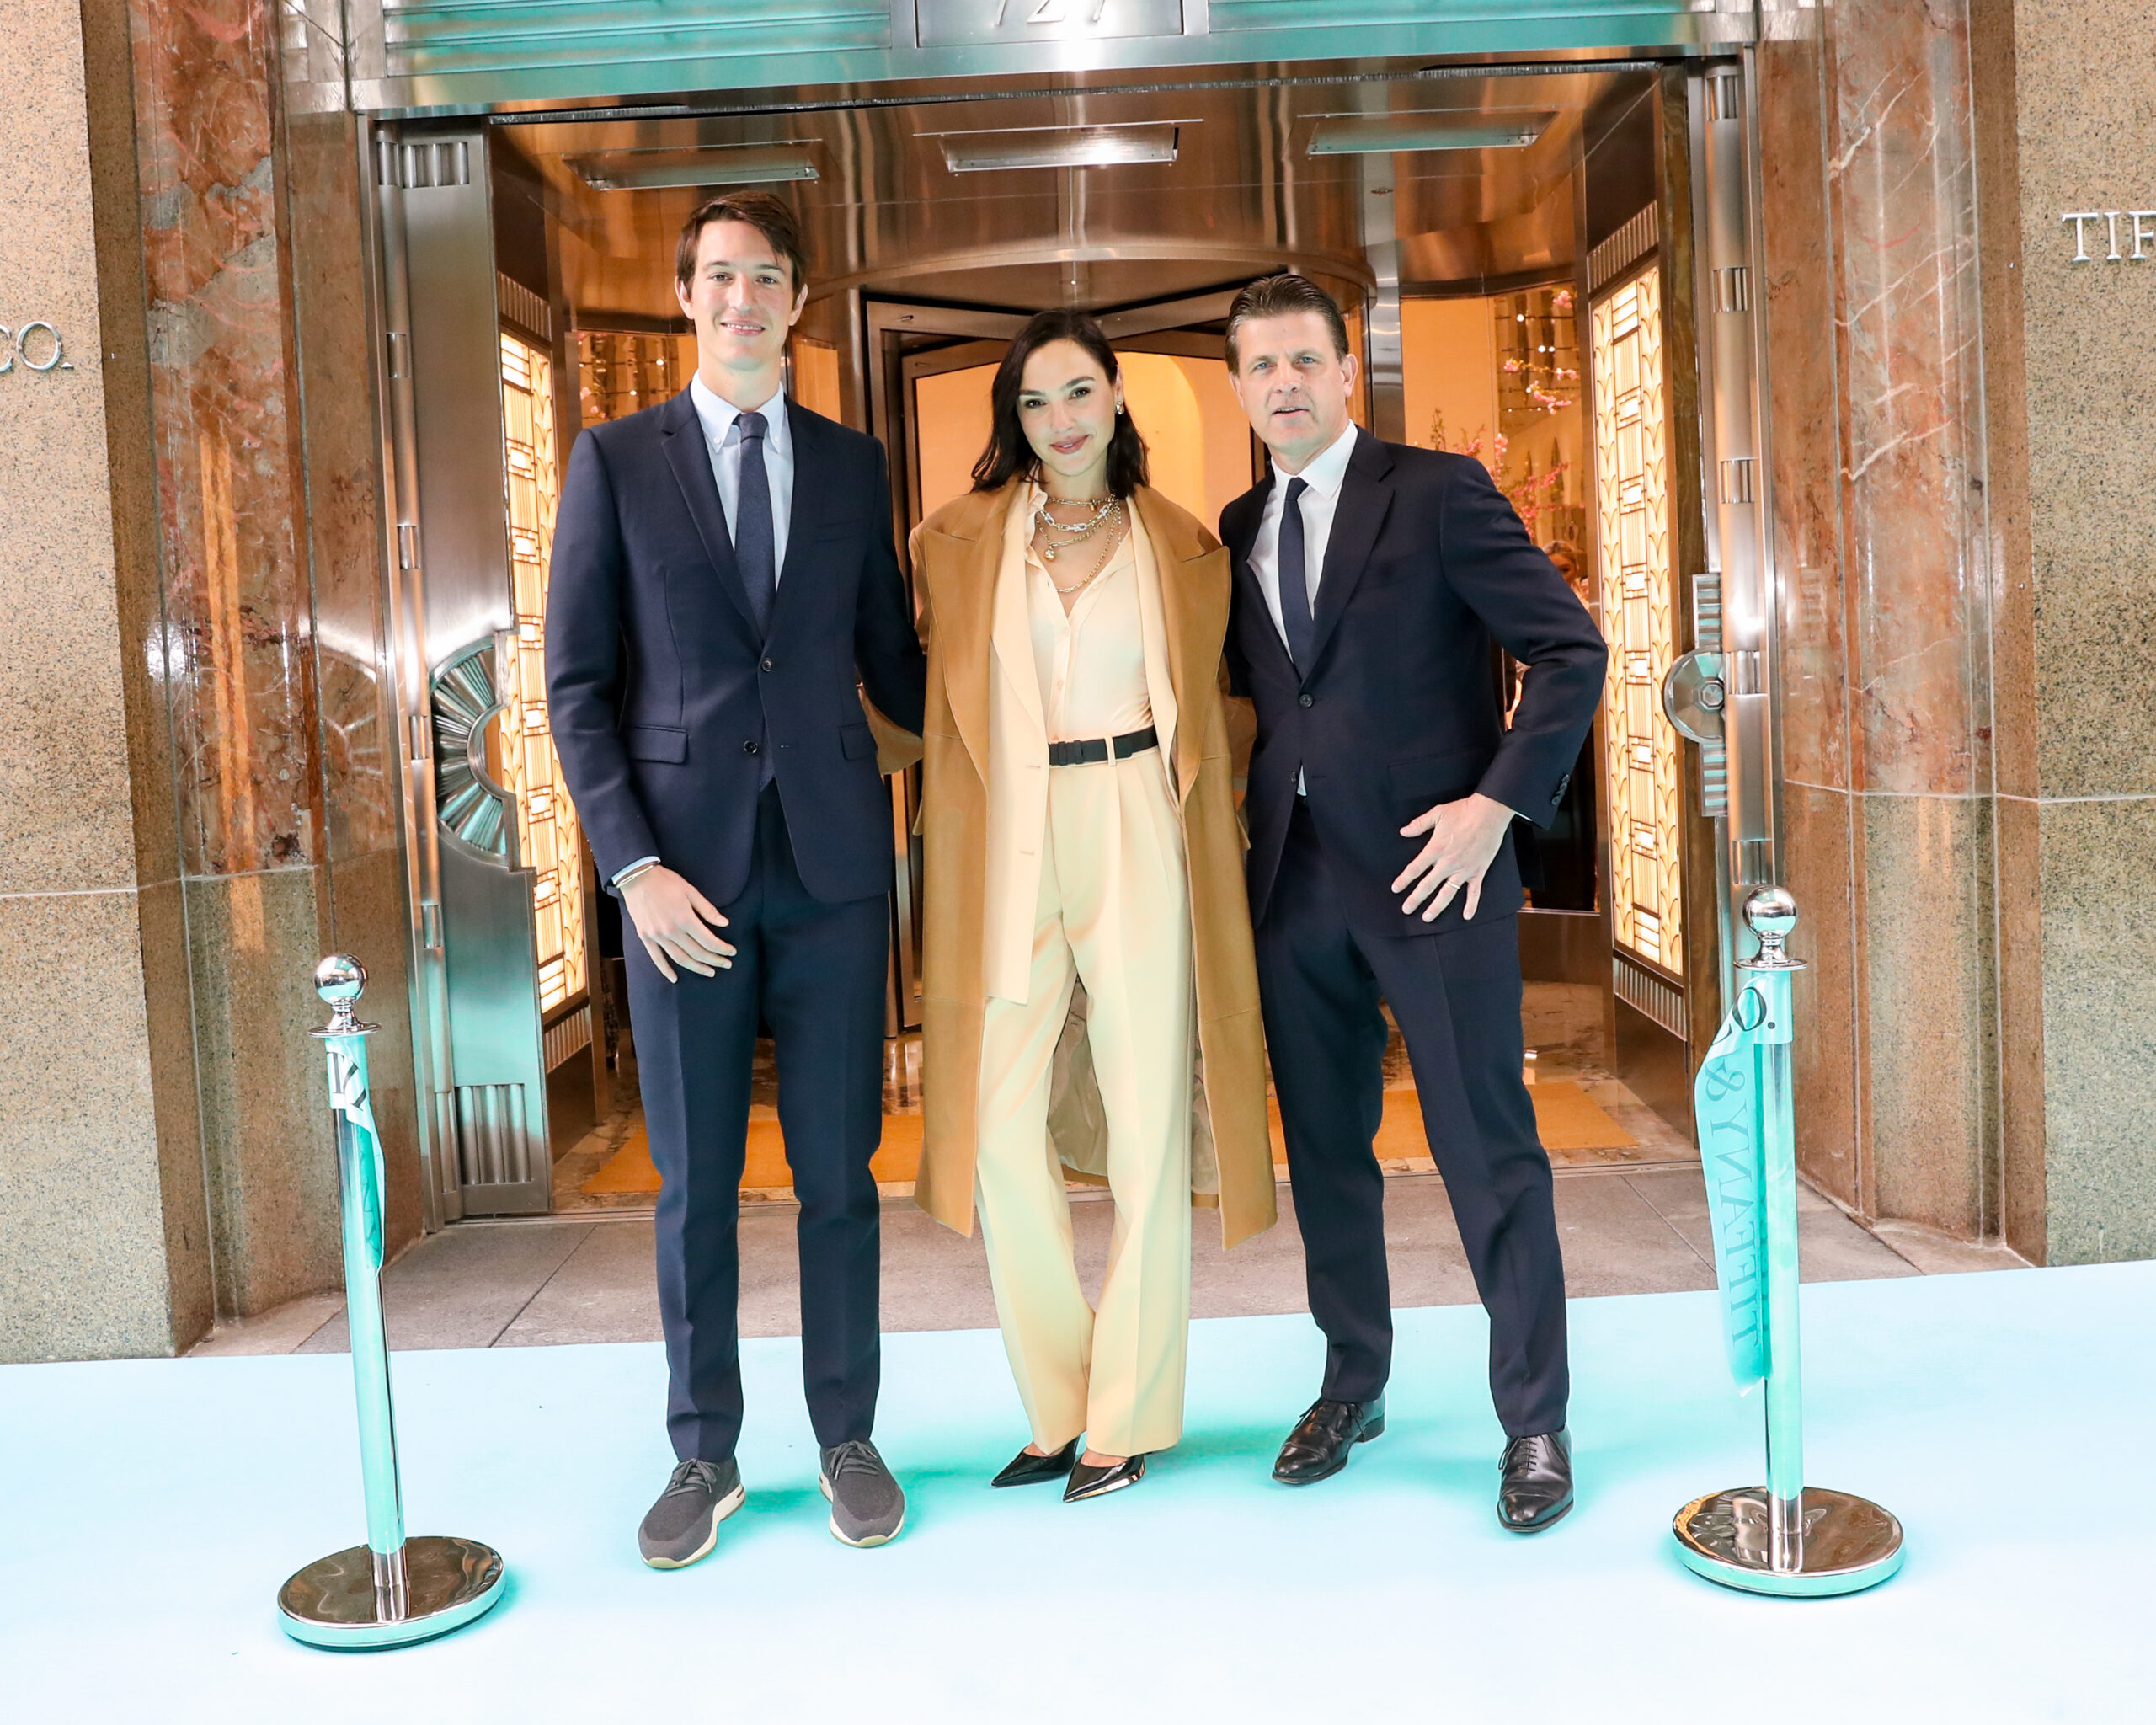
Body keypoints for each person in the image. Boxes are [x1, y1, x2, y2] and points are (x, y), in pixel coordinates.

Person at [547, 192, 926, 1565]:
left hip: (833, 874)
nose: (742, 299)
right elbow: (577, 688)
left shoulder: (852, 466)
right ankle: (703, 1453)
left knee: (841, 1174)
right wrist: (632, 869)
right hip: (680, 885)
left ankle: (847, 1435)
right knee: (696, 1182)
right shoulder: (613, 460)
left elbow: (897, 665)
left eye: (766, 276)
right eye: (719, 276)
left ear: (798, 299)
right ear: (685, 295)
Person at [1218, 274, 1605, 1532]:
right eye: (1260, 365)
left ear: (1347, 372)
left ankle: (1534, 1418)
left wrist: (1496, 806)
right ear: (1240, 386)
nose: (1283, 384)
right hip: (1293, 882)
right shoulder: (1236, 525)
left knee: (1487, 1146)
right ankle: (1353, 1382)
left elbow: (1569, 648)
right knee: (1326, 1152)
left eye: (1303, 361)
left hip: (1438, 873)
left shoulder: (1439, 493)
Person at [907, 310, 1275, 1502]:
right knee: (996, 1126)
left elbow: (1234, 704)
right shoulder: (955, 539)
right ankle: (1056, 1403)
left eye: (1077, 393)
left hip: (1138, 820)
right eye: (1034, 401)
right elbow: (911, 692)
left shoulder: (1187, 547)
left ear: (1118, 396)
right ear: (1012, 420)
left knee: (1149, 1113)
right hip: (1006, 827)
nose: (1059, 420)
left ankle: (1127, 1413)